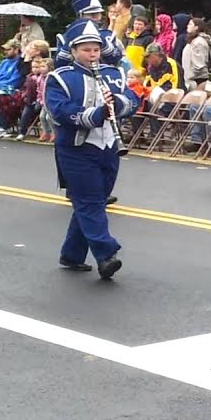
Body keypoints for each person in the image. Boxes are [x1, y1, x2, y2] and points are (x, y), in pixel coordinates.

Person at [44, 19, 138, 279]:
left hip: (108, 147)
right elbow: (59, 111)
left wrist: (118, 104)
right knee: (90, 203)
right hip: (76, 149)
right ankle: (106, 254)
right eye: (86, 49)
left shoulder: (113, 73)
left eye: (96, 49)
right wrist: (95, 114)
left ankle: (71, 255)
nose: (92, 54)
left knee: (91, 203)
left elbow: (133, 99)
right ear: (74, 51)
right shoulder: (60, 78)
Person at [54, 0, 124, 67]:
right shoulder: (65, 37)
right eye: (91, 14)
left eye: (98, 13)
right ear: (80, 16)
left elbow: (115, 59)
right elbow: (59, 64)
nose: (96, 17)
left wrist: (101, 41)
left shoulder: (107, 35)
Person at [182, 17, 211, 90]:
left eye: (190, 24)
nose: (187, 26)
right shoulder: (193, 41)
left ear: (196, 27)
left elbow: (199, 64)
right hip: (192, 78)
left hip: (197, 79)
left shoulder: (198, 43)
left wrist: (192, 76)